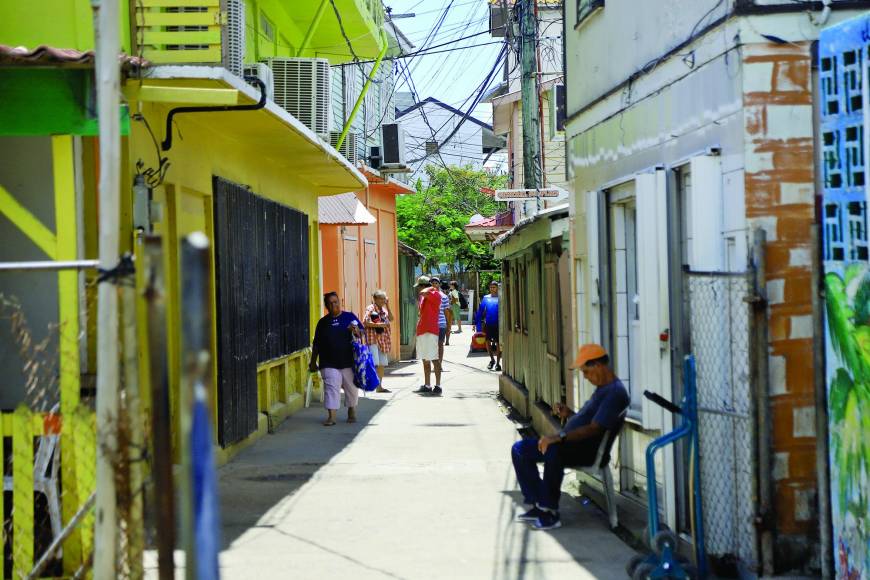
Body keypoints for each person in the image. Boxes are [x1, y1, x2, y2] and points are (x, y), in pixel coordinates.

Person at [511, 344, 629, 530]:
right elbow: (590, 422)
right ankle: (538, 504)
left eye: (586, 371)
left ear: (598, 365)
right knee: (519, 450)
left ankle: (550, 511)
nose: (585, 376)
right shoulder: (603, 389)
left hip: (588, 451)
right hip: (576, 445)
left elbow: (595, 429)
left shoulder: (615, 393)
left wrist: (560, 437)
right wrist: (570, 414)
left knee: (553, 450)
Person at [309, 292, 364, 426]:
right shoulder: (323, 322)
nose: (335, 305)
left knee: (351, 388)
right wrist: (313, 361)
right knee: (331, 388)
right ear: (327, 306)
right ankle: (331, 417)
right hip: (328, 362)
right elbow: (316, 344)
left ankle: (351, 410)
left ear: (340, 302)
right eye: (331, 303)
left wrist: (355, 329)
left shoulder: (349, 317)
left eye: (336, 302)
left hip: (348, 361)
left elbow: (361, 333)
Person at [414, 275, 443, 396]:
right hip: (422, 330)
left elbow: (422, 292)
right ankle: (427, 385)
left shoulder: (435, 294)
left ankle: (438, 385)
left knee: (434, 358)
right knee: (425, 359)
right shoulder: (424, 297)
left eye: (420, 286)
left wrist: (431, 287)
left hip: (431, 330)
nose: (419, 290)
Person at [363, 289, 392, 393]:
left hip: (383, 340)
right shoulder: (371, 308)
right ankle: (370, 384)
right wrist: (379, 325)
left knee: (381, 364)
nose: (383, 300)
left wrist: (388, 305)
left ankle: (379, 387)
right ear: (375, 299)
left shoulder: (384, 310)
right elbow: (365, 322)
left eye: (384, 299)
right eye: (381, 299)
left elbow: (391, 318)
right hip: (373, 339)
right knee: (374, 363)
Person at [476, 281, 501, 371]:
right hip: (489, 323)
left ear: (497, 288)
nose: (492, 289)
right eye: (491, 287)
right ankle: (492, 360)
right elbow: (480, 311)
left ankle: (498, 363)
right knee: (487, 342)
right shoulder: (486, 298)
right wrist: (478, 324)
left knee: (499, 343)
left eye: (494, 287)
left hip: (499, 324)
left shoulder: (501, 297)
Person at [441, 280, 454, 345]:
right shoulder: (450, 293)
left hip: (441, 310)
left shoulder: (439, 293)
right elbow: (452, 302)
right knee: (448, 326)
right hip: (449, 310)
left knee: (442, 326)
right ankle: (447, 341)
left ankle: (442, 340)